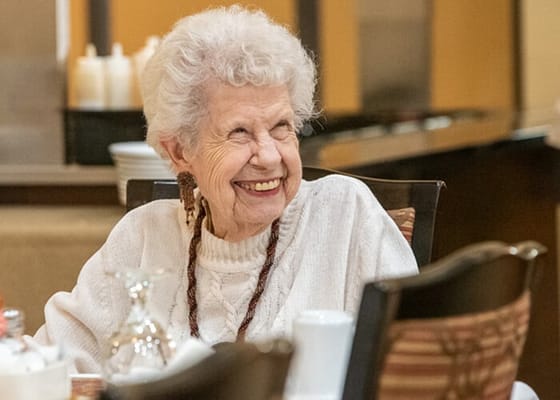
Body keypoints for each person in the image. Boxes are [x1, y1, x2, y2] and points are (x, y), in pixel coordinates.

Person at [34, 5, 417, 373]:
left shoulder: (344, 216)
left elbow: (417, 366)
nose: (268, 156)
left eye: (282, 126)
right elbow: (47, 361)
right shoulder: (143, 238)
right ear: (180, 151)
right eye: (239, 132)